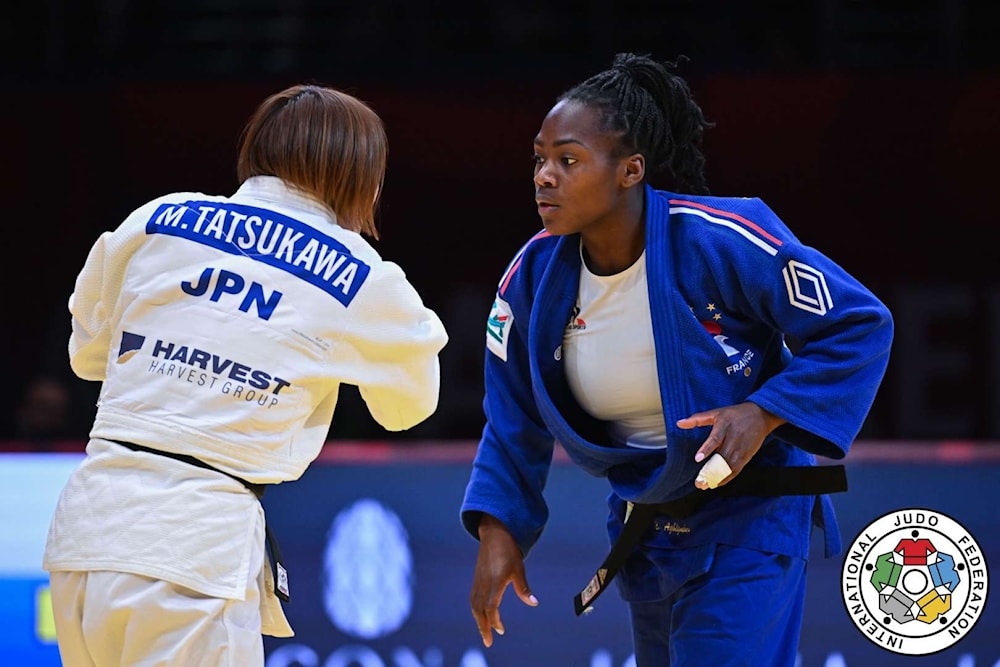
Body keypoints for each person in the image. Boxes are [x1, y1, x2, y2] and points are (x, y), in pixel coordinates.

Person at [460, 53, 893, 665]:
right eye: (539, 159)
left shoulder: (722, 239)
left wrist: (764, 412)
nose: (544, 176)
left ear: (630, 170)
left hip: (750, 512)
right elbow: (511, 412)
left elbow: (858, 324)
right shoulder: (532, 276)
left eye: (568, 159)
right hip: (648, 523)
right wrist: (499, 527)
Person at [43, 84, 449, 666]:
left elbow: (86, 357)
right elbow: (409, 408)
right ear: (366, 179)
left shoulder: (157, 218)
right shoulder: (361, 274)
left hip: (85, 537)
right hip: (192, 551)